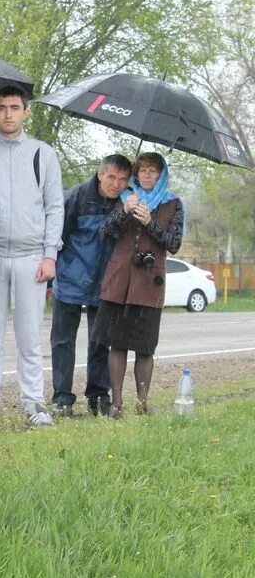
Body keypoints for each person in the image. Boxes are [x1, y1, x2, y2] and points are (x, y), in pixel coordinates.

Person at [0, 86, 64, 428]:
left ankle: (34, 402)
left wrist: (50, 254)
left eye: (14, 107)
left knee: (29, 334)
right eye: (1, 107)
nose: (8, 113)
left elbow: (55, 207)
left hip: (31, 256)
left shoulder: (44, 154)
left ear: (26, 112)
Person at [93, 152, 184, 418]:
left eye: (152, 171)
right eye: (142, 170)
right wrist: (124, 211)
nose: (146, 175)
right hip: (118, 281)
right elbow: (104, 233)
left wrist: (150, 224)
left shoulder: (173, 204)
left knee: (145, 347)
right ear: (136, 174)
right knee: (117, 344)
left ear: (161, 175)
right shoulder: (123, 198)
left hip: (149, 283)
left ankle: (142, 403)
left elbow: (174, 244)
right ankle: (117, 404)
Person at [49, 154, 132, 417]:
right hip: (70, 279)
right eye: (111, 177)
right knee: (62, 342)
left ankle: (98, 396)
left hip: (106, 284)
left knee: (100, 343)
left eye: (122, 179)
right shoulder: (74, 198)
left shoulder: (127, 203)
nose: (116, 184)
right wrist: (52, 279)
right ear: (100, 174)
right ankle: (62, 397)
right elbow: (56, 239)